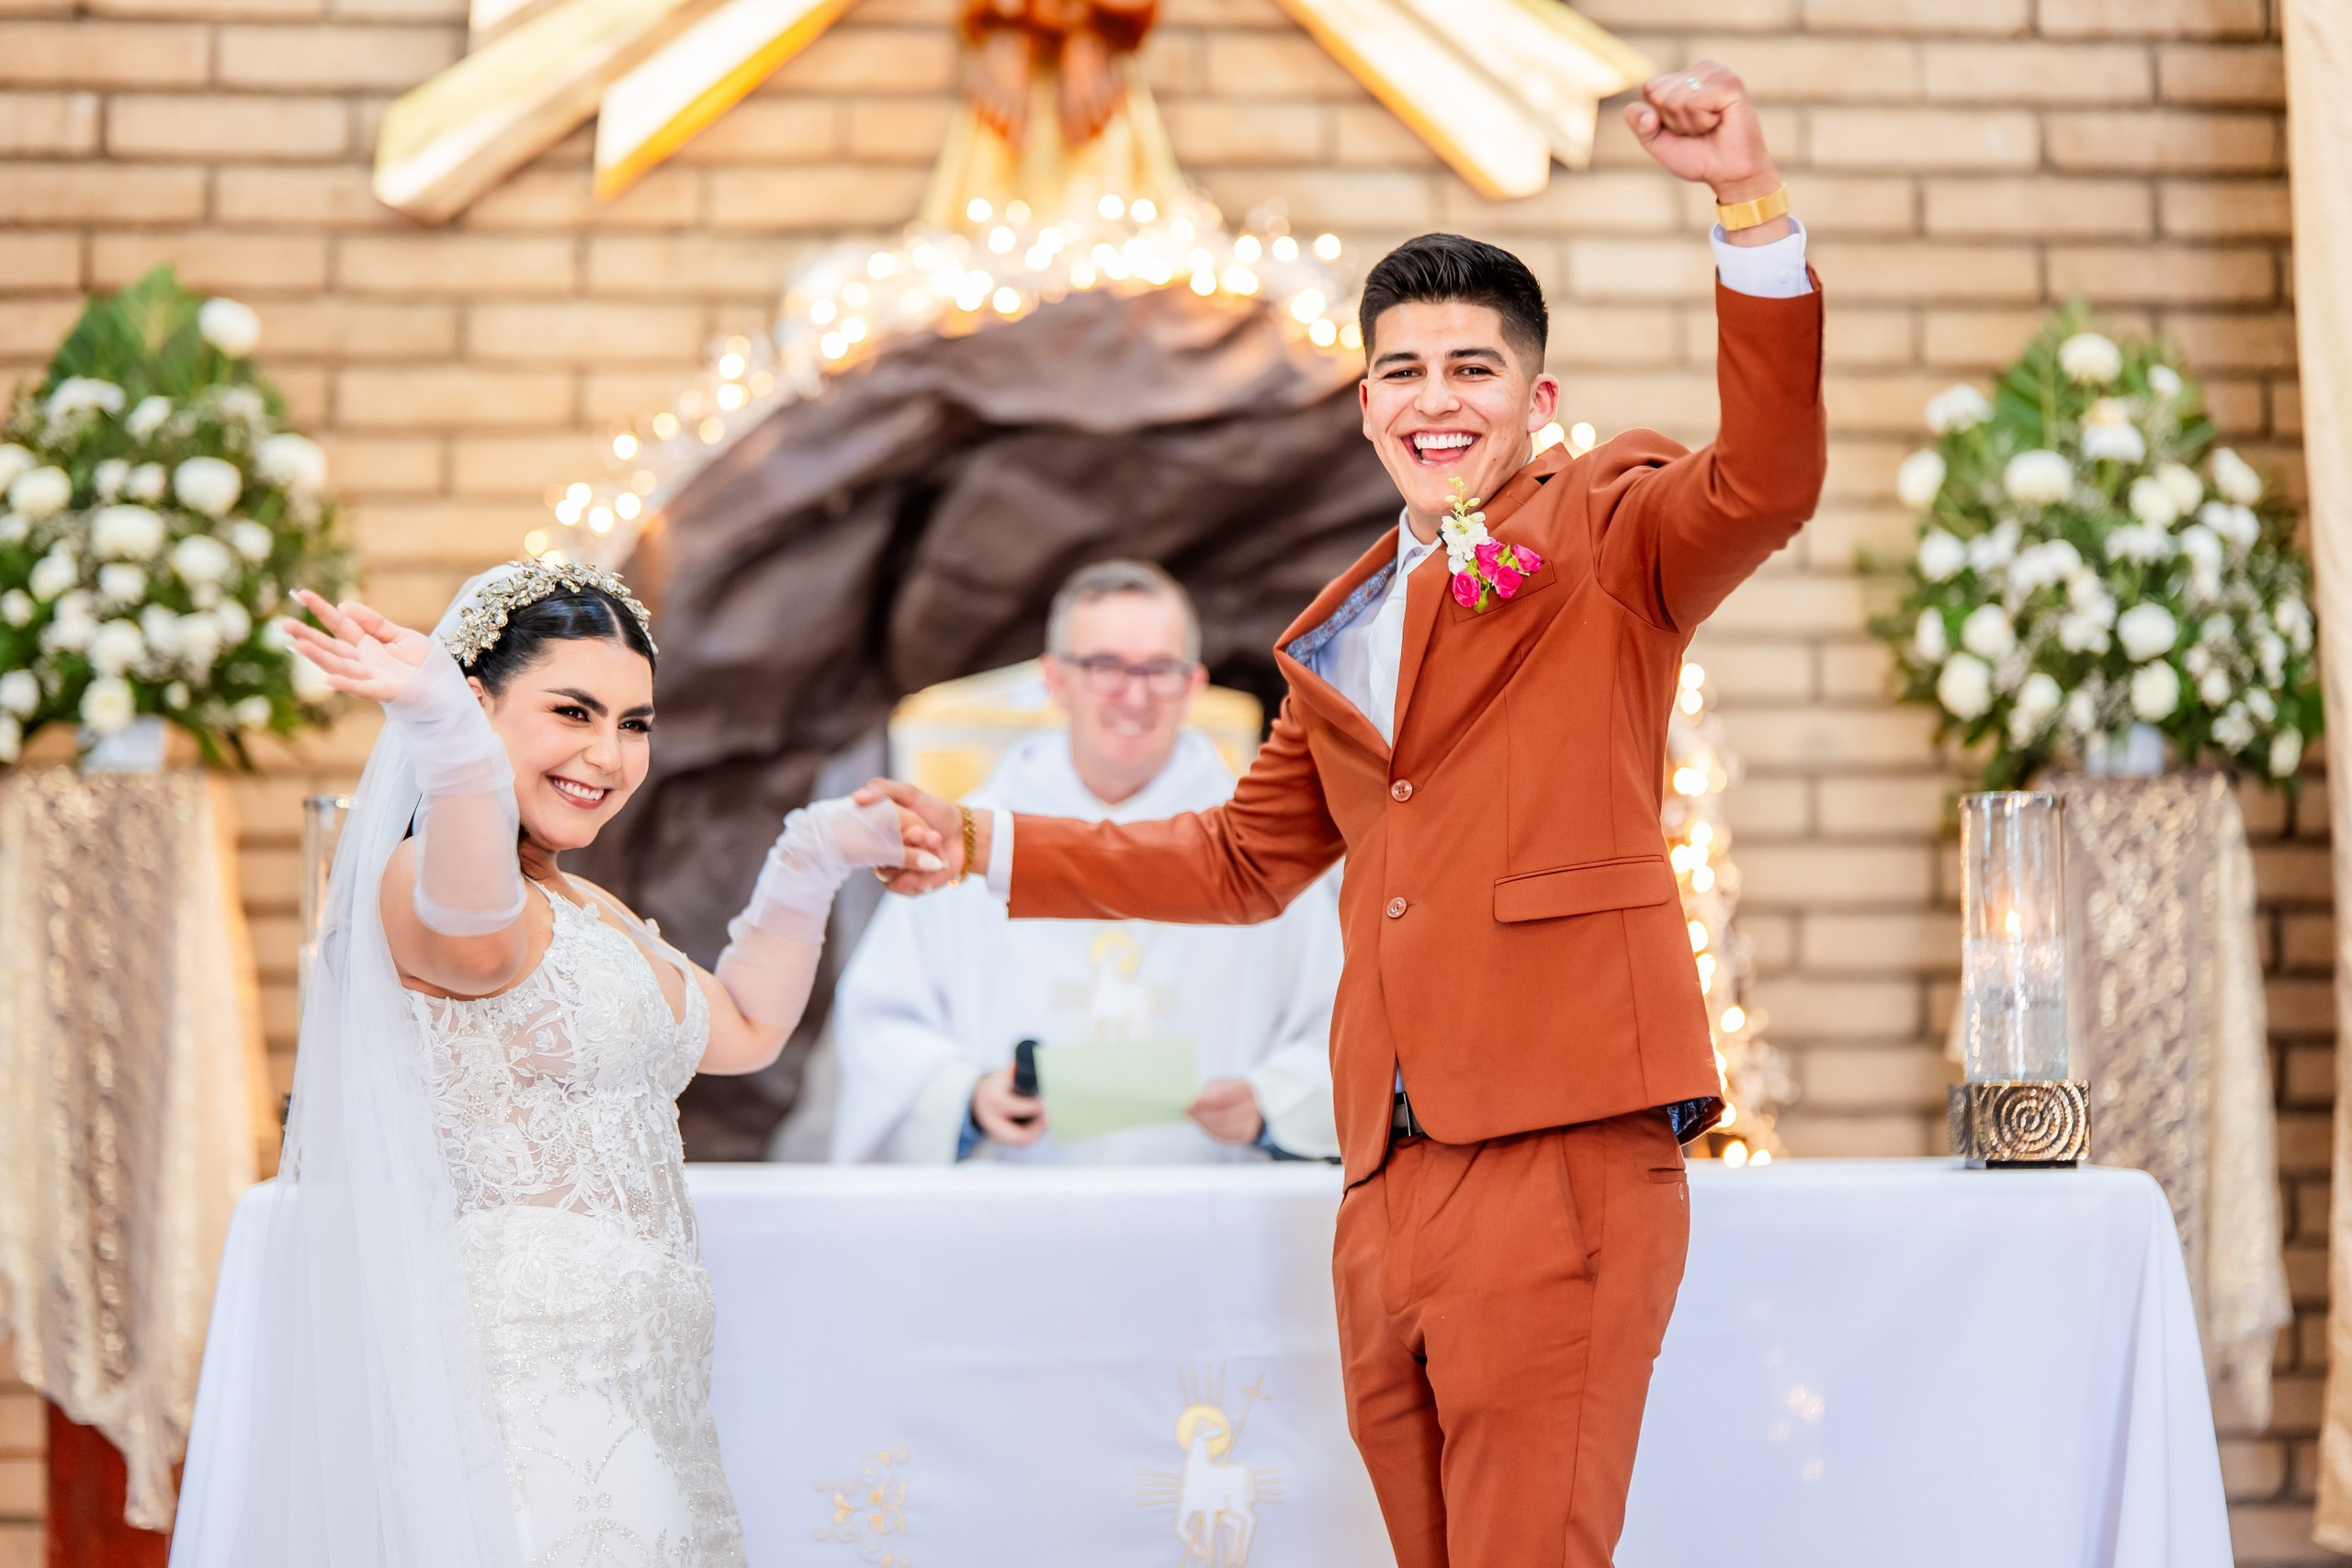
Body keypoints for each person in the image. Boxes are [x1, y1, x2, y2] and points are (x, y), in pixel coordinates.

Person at [866, 62, 1826, 1568]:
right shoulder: (1336, 631)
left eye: (1473, 368)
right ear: (1367, 402)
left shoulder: (1608, 529)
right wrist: (986, 841)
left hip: (1558, 1143)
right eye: (1404, 371)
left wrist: (1747, 212)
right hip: (1383, 1174)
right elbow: (1240, 863)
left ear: (1538, 400)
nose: (1436, 399)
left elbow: (1766, 480)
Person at [181, 562, 940, 1568]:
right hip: (516, 1415)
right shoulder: (427, 880)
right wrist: (448, 741)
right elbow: (479, 941)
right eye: (573, 711)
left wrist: (817, 852)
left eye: (634, 723)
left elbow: (747, 1025)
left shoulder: (585, 906)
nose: (608, 755)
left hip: (643, 1405)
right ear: (479, 701)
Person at [831, 559, 1341, 1166]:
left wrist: (1270, 1103)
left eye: (1160, 668)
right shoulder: (970, 836)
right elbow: (880, 1025)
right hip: (1015, 1212)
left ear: (1194, 683)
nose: (1134, 693)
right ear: (1055, 679)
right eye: (1104, 666)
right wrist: (967, 1098)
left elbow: (1339, 1026)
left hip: (1208, 1207)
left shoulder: (1259, 843)